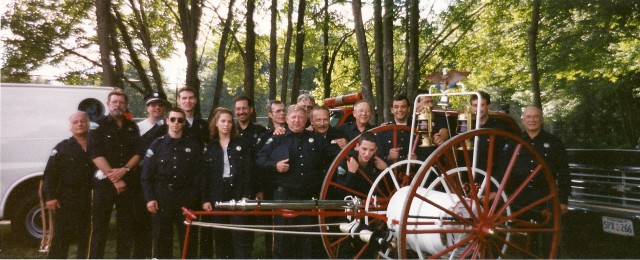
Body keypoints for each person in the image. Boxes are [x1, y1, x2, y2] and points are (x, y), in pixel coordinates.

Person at [256, 104, 329, 259]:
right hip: (284, 197)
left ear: (306, 120)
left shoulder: (316, 140)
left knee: (306, 241)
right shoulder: (277, 138)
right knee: (282, 242)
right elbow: (260, 160)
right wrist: (275, 166)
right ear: (287, 119)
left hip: (307, 198)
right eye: (293, 117)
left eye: (301, 117)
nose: (297, 120)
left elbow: (326, 163)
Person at [499, 106, 570, 256]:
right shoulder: (513, 142)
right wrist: (496, 192)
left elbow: (564, 173)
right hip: (519, 197)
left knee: (549, 239)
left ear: (542, 120)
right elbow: (502, 170)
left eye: (535, 117)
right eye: (528, 117)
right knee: (522, 240)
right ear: (523, 120)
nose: (532, 120)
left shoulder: (554, 143)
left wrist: (563, 200)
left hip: (545, 196)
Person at [88, 89, 142, 258]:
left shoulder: (132, 126)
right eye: (115, 101)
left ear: (126, 105)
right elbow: (95, 154)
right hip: (105, 184)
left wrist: (125, 170)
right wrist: (115, 178)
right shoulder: (97, 125)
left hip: (128, 182)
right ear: (108, 103)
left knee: (126, 227)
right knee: (99, 227)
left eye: (121, 102)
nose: (118, 105)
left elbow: (138, 152)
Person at [141, 107, 202, 258]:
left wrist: (195, 198)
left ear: (184, 123)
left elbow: (200, 174)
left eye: (180, 120)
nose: (176, 123)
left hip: (186, 198)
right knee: (162, 241)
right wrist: (150, 198)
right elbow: (146, 175)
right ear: (167, 121)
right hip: (163, 198)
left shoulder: (193, 145)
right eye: (173, 119)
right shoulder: (157, 144)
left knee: (189, 241)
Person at [201, 107, 254, 259]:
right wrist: (205, 199)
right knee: (221, 236)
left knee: (240, 235)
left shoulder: (242, 145)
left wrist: (246, 195)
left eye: (230, 122)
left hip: (237, 192)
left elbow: (248, 172)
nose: (226, 125)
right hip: (217, 193)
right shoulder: (210, 148)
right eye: (223, 121)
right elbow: (204, 177)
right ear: (216, 123)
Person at [43, 112, 94, 259]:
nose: (79, 124)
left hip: (90, 197)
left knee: (87, 236)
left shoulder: (96, 145)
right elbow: (50, 173)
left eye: (83, 121)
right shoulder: (62, 147)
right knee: (61, 235)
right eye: (75, 122)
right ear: (70, 126)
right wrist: (51, 197)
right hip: (67, 198)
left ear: (88, 124)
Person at [134, 91, 170, 258]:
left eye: (160, 105)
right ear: (147, 107)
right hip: (142, 178)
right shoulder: (138, 127)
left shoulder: (168, 125)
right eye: (153, 104)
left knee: (157, 224)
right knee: (140, 222)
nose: (157, 108)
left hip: (160, 180)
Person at [254, 100, 287, 258]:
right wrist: (259, 189)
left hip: (288, 188)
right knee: (271, 228)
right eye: (278, 111)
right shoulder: (265, 136)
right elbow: (258, 163)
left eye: (283, 110)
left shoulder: (292, 132)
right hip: (269, 187)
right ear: (270, 114)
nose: (282, 113)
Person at [377, 95, 412, 164]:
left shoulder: (417, 128)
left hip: (415, 172)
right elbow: (378, 156)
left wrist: (417, 158)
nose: (400, 110)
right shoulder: (383, 130)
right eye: (396, 107)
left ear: (409, 109)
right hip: (391, 172)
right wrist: (389, 157)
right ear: (392, 110)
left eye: (403, 107)